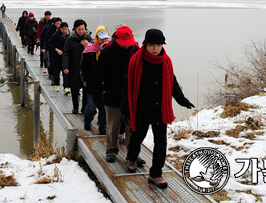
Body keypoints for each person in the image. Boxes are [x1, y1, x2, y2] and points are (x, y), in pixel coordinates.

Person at [125, 29, 195, 189]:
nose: (155, 48)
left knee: (161, 143)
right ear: (145, 45)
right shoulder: (136, 61)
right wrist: (126, 108)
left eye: (158, 45)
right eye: (152, 45)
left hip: (160, 109)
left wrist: (182, 100)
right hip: (141, 108)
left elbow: (173, 83)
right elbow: (127, 86)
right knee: (137, 137)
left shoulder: (166, 62)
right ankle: (132, 158)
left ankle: (155, 173)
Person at [93, 25, 139, 163]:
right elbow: (97, 76)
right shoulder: (106, 52)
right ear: (116, 39)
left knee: (132, 127)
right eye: (123, 44)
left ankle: (133, 154)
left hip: (132, 97)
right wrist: (97, 97)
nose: (126, 47)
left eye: (128, 43)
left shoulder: (136, 51)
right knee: (112, 126)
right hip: (112, 95)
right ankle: (111, 150)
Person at [81, 26, 110, 135]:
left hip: (105, 85)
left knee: (104, 107)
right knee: (91, 107)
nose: (104, 41)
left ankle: (103, 128)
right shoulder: (89, 50)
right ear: (97, 37)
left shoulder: (109, 50)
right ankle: (87, 121)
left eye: (106, 38)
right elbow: (84, 67)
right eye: (101, 38)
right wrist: (85, 80)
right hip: (92, 84)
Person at [63, 19, 91, 113]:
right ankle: (75, 107)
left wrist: (88, 45)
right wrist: (65, 67)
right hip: (74, 67)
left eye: (83, 29)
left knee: (86, 88)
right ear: (75, 28)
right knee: (74, 88)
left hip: (86, 68)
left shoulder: (88, 38)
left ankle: (84, 107)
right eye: (79, 29)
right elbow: (66, 53)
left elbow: (94, 51)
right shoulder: (70, 38)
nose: (81, 31)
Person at [48, 21, 69, 93]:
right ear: (60, 29)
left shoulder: (69, 36)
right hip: (56, 56)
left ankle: (66, 87)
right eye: (63, 29)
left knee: (65, 72)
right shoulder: (55, 35)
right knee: (56, 72)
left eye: (65, 29)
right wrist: (56, 49)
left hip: (65, 57)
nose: (64, 31)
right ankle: (57, 85)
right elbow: (50, 44)